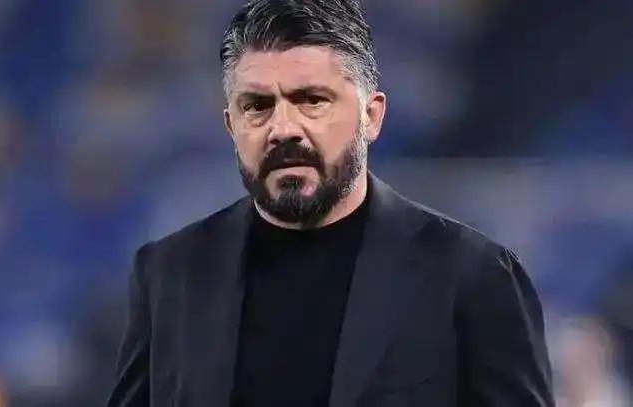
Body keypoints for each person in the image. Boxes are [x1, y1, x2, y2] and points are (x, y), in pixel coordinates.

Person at [107, 0, 555, 406]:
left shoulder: (473, 275)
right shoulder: (170, 273)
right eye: (257, 106)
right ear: (231, 125)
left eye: (312, 100)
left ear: (371, 117)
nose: (283, 129)